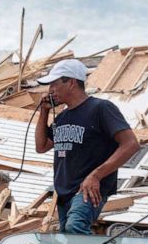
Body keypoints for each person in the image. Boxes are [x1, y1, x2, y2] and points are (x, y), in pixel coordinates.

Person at [34, 59, 140, 234]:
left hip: (87, 189)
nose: (50, 90)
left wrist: (96, 176)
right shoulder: (62, 117)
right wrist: (44, 111)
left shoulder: (101, 108)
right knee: (69, 238)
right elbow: (41, 146)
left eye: (54, 84)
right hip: (64, 190)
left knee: (75, 227)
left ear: (72, 83)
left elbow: (131, 144)